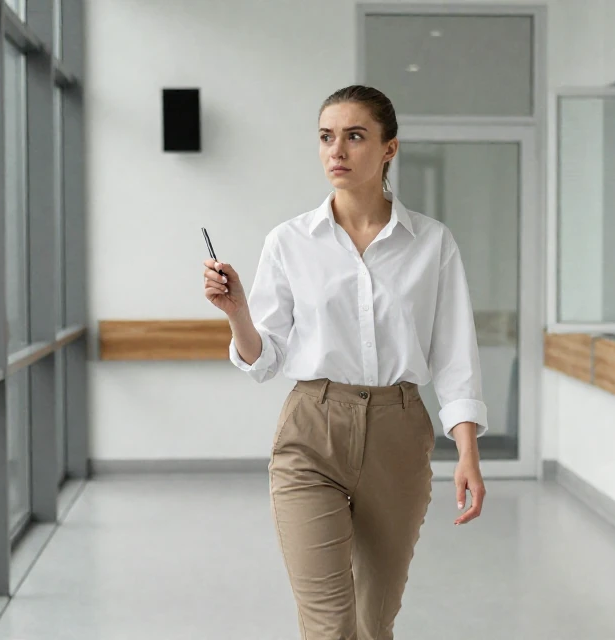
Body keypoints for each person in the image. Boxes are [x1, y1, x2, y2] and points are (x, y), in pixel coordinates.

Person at [201, 84, 487, 639]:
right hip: (312, 431)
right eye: (327, 137)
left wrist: (468, 452)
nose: (337, 150)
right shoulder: (288, 242)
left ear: (389, 149)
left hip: (399, 433)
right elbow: (265, 360)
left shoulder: (432, 243)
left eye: (355, 136)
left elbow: (455, 354)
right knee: (330, 626)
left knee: (371, 624)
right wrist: (237, 312)